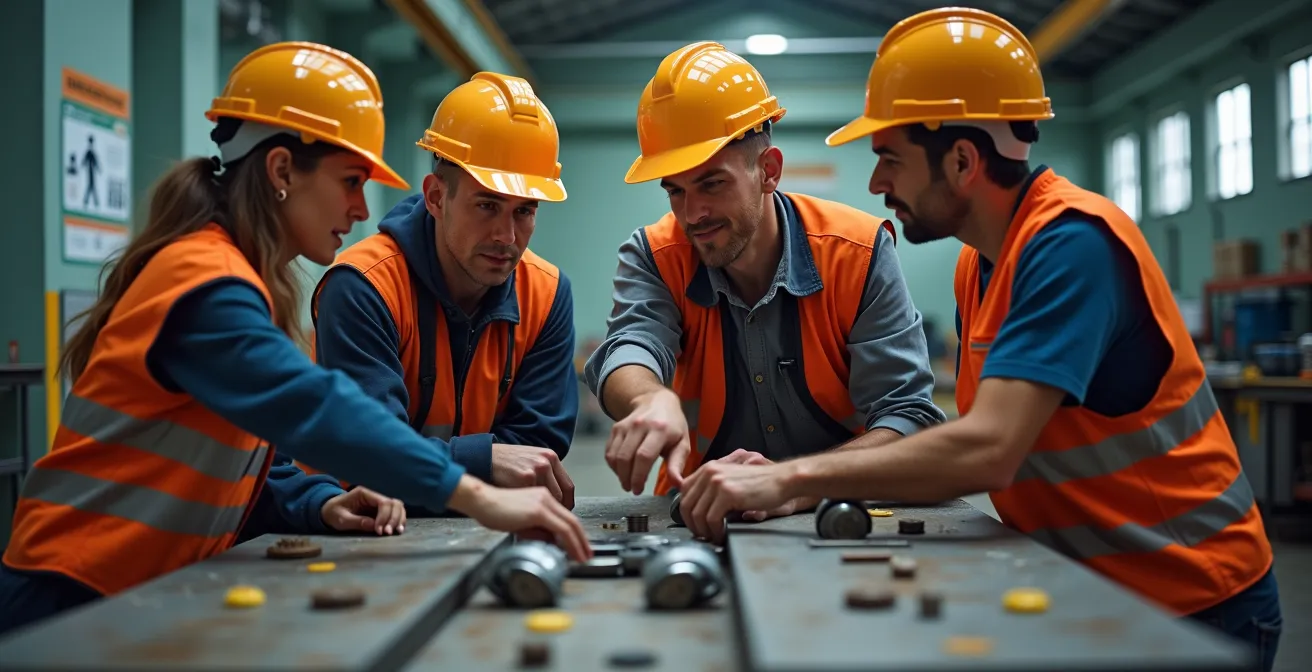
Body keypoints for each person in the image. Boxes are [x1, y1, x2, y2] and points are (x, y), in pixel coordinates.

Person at [674, 9, 1281, 670]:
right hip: (1094, 592)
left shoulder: (1074, 245)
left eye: (890, 160)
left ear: (962, 159)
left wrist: (789, 479)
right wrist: (804, 484)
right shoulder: (981, 261)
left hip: (1192, 601)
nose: (877, 185)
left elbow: (988, 448)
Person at [0, 41, 590, 638]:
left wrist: (317, 504)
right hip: (68, 594)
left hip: (138, 595)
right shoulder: (204, 284)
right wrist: (480, 496)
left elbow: (253, 452)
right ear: (283, 171)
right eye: (350, 181)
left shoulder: (242, 280)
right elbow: (314, 410)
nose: (363, 209)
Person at [584, 41, 945, 514]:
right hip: (701, 514)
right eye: (675, 191)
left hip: (847, 509)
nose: (693, 214)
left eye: (712, 183)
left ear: (768, 171)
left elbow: (909, 417)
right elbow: (631, 344)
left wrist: (791, 484)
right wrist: (650, 397)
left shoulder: (856, 253)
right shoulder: (655, 254)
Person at [306, 72, 579, 514]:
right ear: (435, 197)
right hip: (346, 530)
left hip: (478, 525)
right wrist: (483, 460)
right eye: (487, 205)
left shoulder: (546, 293)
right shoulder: (364, 285)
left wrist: (450, 470)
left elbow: (536, 450)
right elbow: (369, 456)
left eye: (524, 211)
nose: (506, 236)